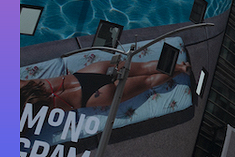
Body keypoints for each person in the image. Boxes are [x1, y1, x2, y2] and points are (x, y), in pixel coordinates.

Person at [20, 57, 190, 112]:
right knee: (144, 67)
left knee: (149, 81)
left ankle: (181, 71)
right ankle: (181, 65)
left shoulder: (27, 115)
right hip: (89, 73)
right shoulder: (20, 86)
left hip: (94, 96)